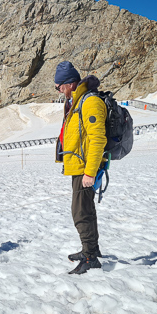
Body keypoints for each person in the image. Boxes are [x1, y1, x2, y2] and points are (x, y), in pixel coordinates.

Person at [54, 61, 106, 274]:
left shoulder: (89, 102)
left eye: (59, 86)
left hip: (86, 168)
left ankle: (90, 257)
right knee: (86, 209)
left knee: (80, 212)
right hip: (79, 166)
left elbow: (97, 139)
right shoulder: (76, 102)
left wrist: (89, 172)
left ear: (69, 84)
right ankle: (91, 248)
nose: (58, 90)